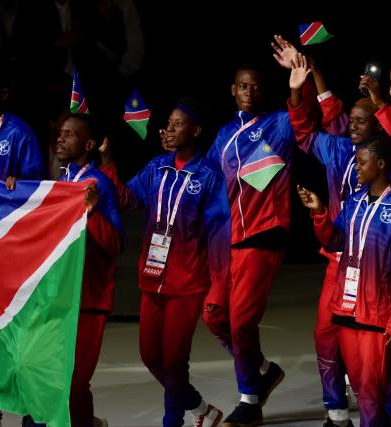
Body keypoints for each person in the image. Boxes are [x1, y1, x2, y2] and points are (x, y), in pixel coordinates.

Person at [284, 49, 391, 426]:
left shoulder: (390, 164)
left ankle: (385, 407)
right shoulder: (339, 149)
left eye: (361, 121)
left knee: (381, 344)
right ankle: (337, 410)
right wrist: (298, 90)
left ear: (377, 126)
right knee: (325, 336)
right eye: (351, 121)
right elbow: (307, 132)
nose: (352, 125)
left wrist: (385, 104)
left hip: (376, 267)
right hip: (339, 261)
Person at [99, 98, 230, 427]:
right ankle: (201, 409)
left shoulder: (210, 175)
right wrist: (107, 159)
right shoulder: (157, 167)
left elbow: (218, 235)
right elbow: (126, 200)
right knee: (150, 356)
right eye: (168, 123)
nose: (170, 129)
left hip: (187, 283)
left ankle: (173, 420)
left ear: (196, 131)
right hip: (151, 278)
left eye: (178, 124)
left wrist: (218, 289)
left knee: (173, 361)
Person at [202, 60, 307, 427]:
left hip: (263, 234)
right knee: (215, 315)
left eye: (256, 87)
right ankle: (262, 368)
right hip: (226, 239)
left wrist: (296, 90)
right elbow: (210, 183)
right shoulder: (224, 134)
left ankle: (249, 399)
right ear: (233, 90)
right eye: (243, 87)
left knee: (242, 320)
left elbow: (300, 118)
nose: (249, 93)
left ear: (265, 92)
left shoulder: (277, 124)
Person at [297, 135, 391, 427]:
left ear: (380, 164)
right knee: (364, 391)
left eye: (362, 163)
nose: (356, 168)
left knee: (371, 393)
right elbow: (335, 241)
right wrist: (319, 213)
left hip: (376, 317)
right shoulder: (353, 203)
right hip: (346, 310)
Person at [24, 113, 123, 427]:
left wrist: (91, 215)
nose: (60, 139)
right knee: (48, 375)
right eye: (59, 133)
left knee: (76, 381)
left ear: (89, 144)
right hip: (59, 298)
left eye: (69, 134)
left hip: (89, 299)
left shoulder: (99, 184)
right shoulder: (63, 183)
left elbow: (117, 242)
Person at [0, 63, 44, 427]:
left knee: (9, 336)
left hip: (6, 252)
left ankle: (28, 412)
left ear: (4, 94)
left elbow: (35, 193)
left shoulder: (20, 133)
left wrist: (16, 187)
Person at [0, 64, 43, 188]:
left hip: (3, 206)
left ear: (4, 94)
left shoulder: (20, 132)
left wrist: (19, 183)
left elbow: (35, 183)